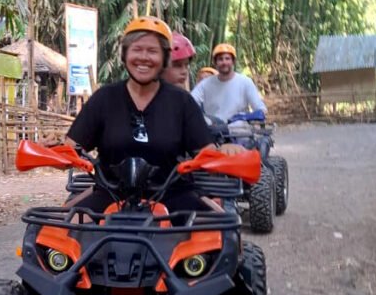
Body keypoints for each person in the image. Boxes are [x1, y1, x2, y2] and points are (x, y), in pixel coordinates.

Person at [63, 17, 245, 213]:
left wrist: (226, 151)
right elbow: (70, 150)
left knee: (226, 236)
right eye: (137, 49)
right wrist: (53, 149)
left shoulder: (181, 102)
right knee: (52, 234)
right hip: (110, 194)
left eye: (152, 51)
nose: (144, 57)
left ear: (165, 59)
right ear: (125, 55)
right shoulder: (104, 98)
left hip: (174, 195)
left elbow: (206, 153)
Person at [191, 43, 266, 122]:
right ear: (215, 62)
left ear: (233, 61)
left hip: (239, 131)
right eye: (220, 59)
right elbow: (190, 102)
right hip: (213, 129)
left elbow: (261, 109)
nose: (224, 62)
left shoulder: (245, 82)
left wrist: (246, 116)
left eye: (227, 59)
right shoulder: (205, 84)